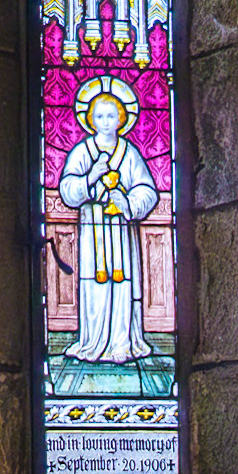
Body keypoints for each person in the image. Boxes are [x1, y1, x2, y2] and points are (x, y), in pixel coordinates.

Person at [58, 76, 158, 363]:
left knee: (123, 284)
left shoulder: (130, 153)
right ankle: (93, 341)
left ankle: (121, 343)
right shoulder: (82, 152)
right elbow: (67, 190)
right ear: (90, 119)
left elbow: (147, 190)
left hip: (122, 231)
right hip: (93, 231)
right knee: (94, 284)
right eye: (99, 115)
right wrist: (92, 176)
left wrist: (127, 202)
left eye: (111, 115)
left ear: (121, 118)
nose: (105, 121)